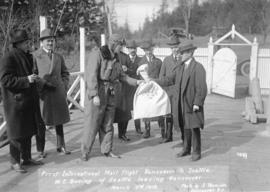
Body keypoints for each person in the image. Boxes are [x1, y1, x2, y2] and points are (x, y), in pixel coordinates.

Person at [81, 34, 142, 161]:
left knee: (108, 124)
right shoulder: (97, 54)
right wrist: (94, 95)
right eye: (120, 46)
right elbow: (91, 76)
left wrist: (137, 82)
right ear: (114, 43)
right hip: (98, 94)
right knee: (92, 124)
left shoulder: (117, 57)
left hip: (111, 94)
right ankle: (85, 152)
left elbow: (122, 76)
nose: (122, 49)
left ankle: (107, 150)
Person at [0, 29, 44, 173]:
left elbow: (27, 74)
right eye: (25, 42)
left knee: (28, 131)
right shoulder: (9, 57)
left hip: (28, 100)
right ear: (17, 43)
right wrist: (27, 80)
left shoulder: (26, 56)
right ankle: (15, 162)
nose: (28, 44)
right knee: (16, 134)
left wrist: (33, 77)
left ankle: (27, 158)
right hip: (15, 102)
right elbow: (5, 80)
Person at [156, 41, 207, 161]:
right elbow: (169, 80)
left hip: (192, 104)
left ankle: (196, 152)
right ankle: (186, 149)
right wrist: (153, 80)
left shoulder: (198, 67)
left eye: (182, 53)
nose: (180, 55)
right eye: (180, 53)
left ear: (190, 53)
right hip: (181, 103)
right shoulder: (180, 67)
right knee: (185, 127)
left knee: (194, 128)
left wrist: (197, 103)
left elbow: (202, 88)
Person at [33, 28, 71, 155]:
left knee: (59, 121)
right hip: (43, 94)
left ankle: (61, 146)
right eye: (48, 41)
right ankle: (40, 150)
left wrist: (64, 85)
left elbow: (65, 73)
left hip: (58, 93)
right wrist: (44, 84)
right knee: (42, 122)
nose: (50, 43)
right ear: (42, 42)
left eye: (52, 41)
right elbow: (33, 75)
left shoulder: (58, 56)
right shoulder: (35, 56)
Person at [159, 36, 182, 143]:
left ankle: (183, 137)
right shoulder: (167, 60)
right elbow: (161, 76)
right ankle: (168, 136)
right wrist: (163, 89)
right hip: (169, 91)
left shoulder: (183, 59)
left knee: (180, 114)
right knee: (168, 114)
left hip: (180, 91)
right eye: (173, 47)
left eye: (176, 47)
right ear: (170, 49)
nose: (175, 49)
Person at [138, 39, 163, 139]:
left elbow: (161, 75)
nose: (148, 52)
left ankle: (162, 129)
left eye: (150, 49)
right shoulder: (141, 62)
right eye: (146, 50)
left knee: (158, 107)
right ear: (144, 51)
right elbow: (139, 76)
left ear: (152, 49)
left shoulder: (158, 61)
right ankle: (147, 130)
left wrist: (156, 82)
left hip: (156, 87)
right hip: (146, 88)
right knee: (146, 108)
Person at [126, 40, 143, 134]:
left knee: (137, 107)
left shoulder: (140, 60)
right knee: (125, 109)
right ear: (127, 49)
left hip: (137, 87)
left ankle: (138, 128)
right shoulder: (124, 60)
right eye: (130, 48)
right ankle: (123, 130)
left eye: (134, 48)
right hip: (126, 87)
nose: (132, 50)